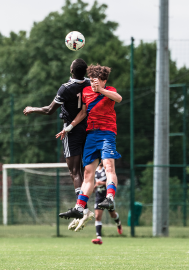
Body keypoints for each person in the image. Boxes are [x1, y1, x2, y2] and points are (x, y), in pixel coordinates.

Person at [23, 59, 93, 229]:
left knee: (75, 172)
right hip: (88, 128)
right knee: (85, 172)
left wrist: (33, 109)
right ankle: (84, 208)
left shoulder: (66, 88)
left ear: (71, 70)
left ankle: (81, 210)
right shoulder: (90, 84)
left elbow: (49, 110)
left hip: (71, 130)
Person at [57, 64, 122, 232]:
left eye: (97, 81)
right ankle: (79, 207)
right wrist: (69, 127)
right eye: (92, 81)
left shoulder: (109, 90)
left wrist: (101, 90)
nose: (93, 84)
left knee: (108, 165)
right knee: (87, 174)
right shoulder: (86, 92)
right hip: (91, 135)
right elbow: (84, 112)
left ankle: (110, 197)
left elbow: (118, 98)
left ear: (103, 81)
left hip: (107, 134)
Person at [92, 162, 122, 245]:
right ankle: (99, 238)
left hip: (107, 197)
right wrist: (94, 187)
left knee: (113, 215)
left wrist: (100, 183)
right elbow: (95, 182)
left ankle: (118, 223)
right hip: (98, 197)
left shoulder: (108, 169)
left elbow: (112, 182)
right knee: (97, 216)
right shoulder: (95, 170)